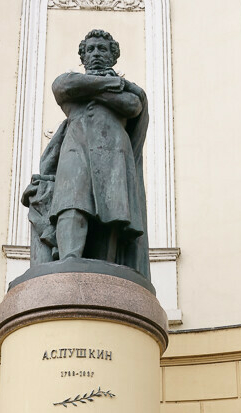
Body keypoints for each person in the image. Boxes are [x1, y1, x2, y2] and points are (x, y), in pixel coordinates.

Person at [30, 30, 149, 276]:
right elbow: (62, 87)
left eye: (102, 49)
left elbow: (132, 105)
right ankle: (69, 261)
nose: (96, 54)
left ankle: (104, 272)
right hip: (76, 149)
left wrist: (92, 89)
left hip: (114, 154)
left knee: (112, 214)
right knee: (70, 204)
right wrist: (113, 84)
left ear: (113, 56)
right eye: (91, 49)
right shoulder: (79, 81)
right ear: (82, 56)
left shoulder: (120, 92)